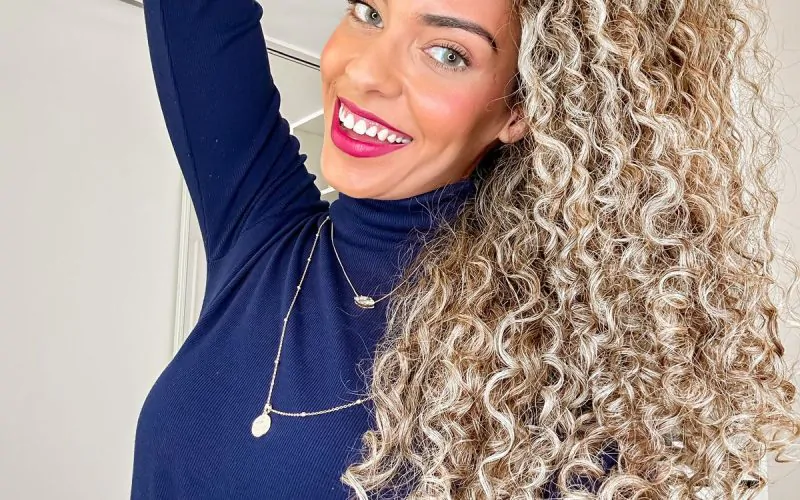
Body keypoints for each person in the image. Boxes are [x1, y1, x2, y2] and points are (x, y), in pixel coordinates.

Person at [131, 0, 800, 498]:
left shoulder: (540, 393)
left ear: (520, 109)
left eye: (448, 53)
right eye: (369, 12)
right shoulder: (264, 233)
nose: (365, 73)